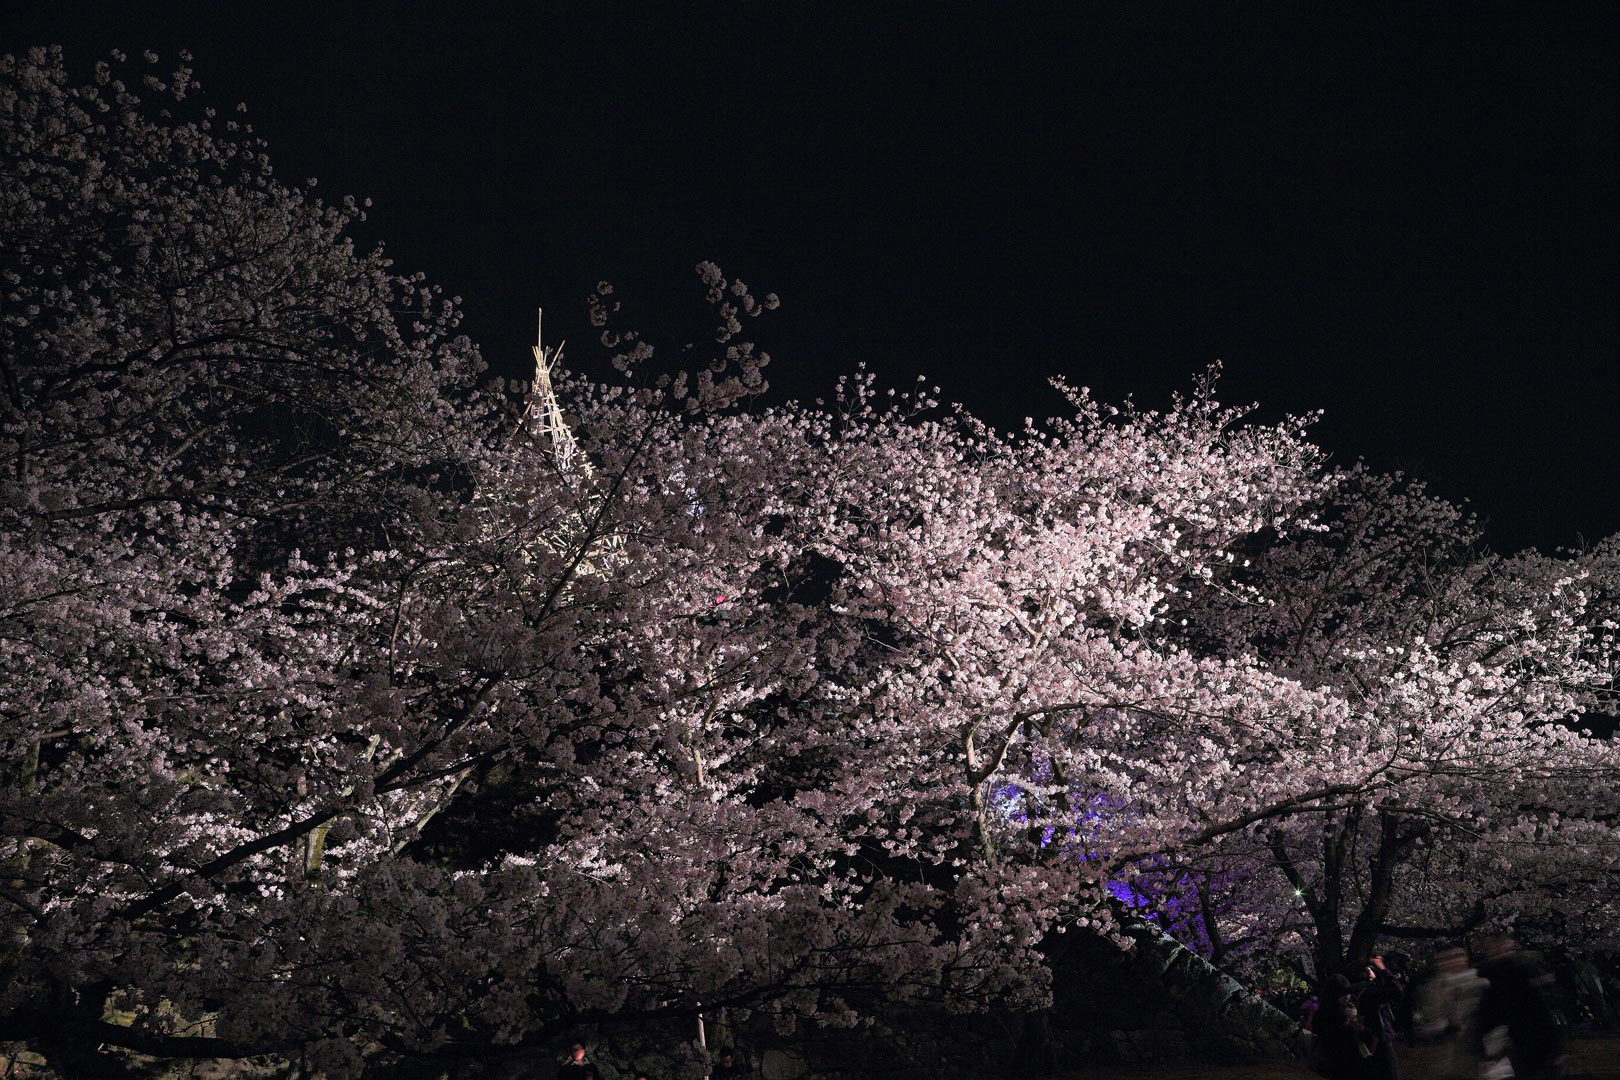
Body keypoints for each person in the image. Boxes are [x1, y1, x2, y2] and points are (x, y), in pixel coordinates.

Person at [1477, 934, 1563, 1080]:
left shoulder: (1515, 970)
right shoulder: (1518, 970)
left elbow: (1539, 1009)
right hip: (1522, 1042)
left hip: (1521, 1041)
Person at [1415, 946, 1488, 1080]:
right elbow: (1425, 1021)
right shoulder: (1431, 988)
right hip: (1445, 1060)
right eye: (1444, 959)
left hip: (1477, 1058)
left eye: (1456, 957)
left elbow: (1490, 1019)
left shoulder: (1481, 985)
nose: (1451, 962)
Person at [1311, 974, 1370, 1080]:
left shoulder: (1348, 1009)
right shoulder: (1327, 1012)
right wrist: (1347, 1023)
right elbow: (1326, 1034)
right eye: (1343, 993)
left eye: (1348, 993)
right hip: (1338, 1061)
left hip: (1351, 1060)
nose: (1347, 996)